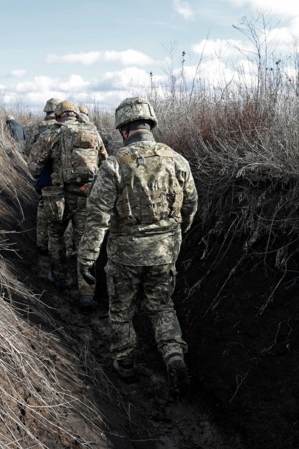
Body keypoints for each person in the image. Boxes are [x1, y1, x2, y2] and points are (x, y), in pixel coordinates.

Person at [77, 97, 198, 395]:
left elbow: (97, 217)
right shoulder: (177, 160)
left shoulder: (115, 165)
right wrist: (175, 238)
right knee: (161, 306)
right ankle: (173, 354)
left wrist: (87, 258)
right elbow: (190, 206)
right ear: (150, 125)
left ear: (123, 130)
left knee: (121, 310)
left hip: (125, 256)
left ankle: (125, 364)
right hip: (164, 251)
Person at [27, 100, 108, 308]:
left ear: (59, 115)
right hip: (86, 194)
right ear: (75, 114)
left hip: (58, 197)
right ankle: (87, 292)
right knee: (85, 241)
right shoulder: (92, 132)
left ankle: (59, 279)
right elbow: (103, 161)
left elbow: (34, 168)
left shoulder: (52, 134)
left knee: (56, 236)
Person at [25, 98, 61, 255]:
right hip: (61, 176)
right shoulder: (65, 128)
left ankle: (42, 246)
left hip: (44, 174)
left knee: (42, 208)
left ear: (46, 111)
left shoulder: (38, 127)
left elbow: (29, 150)